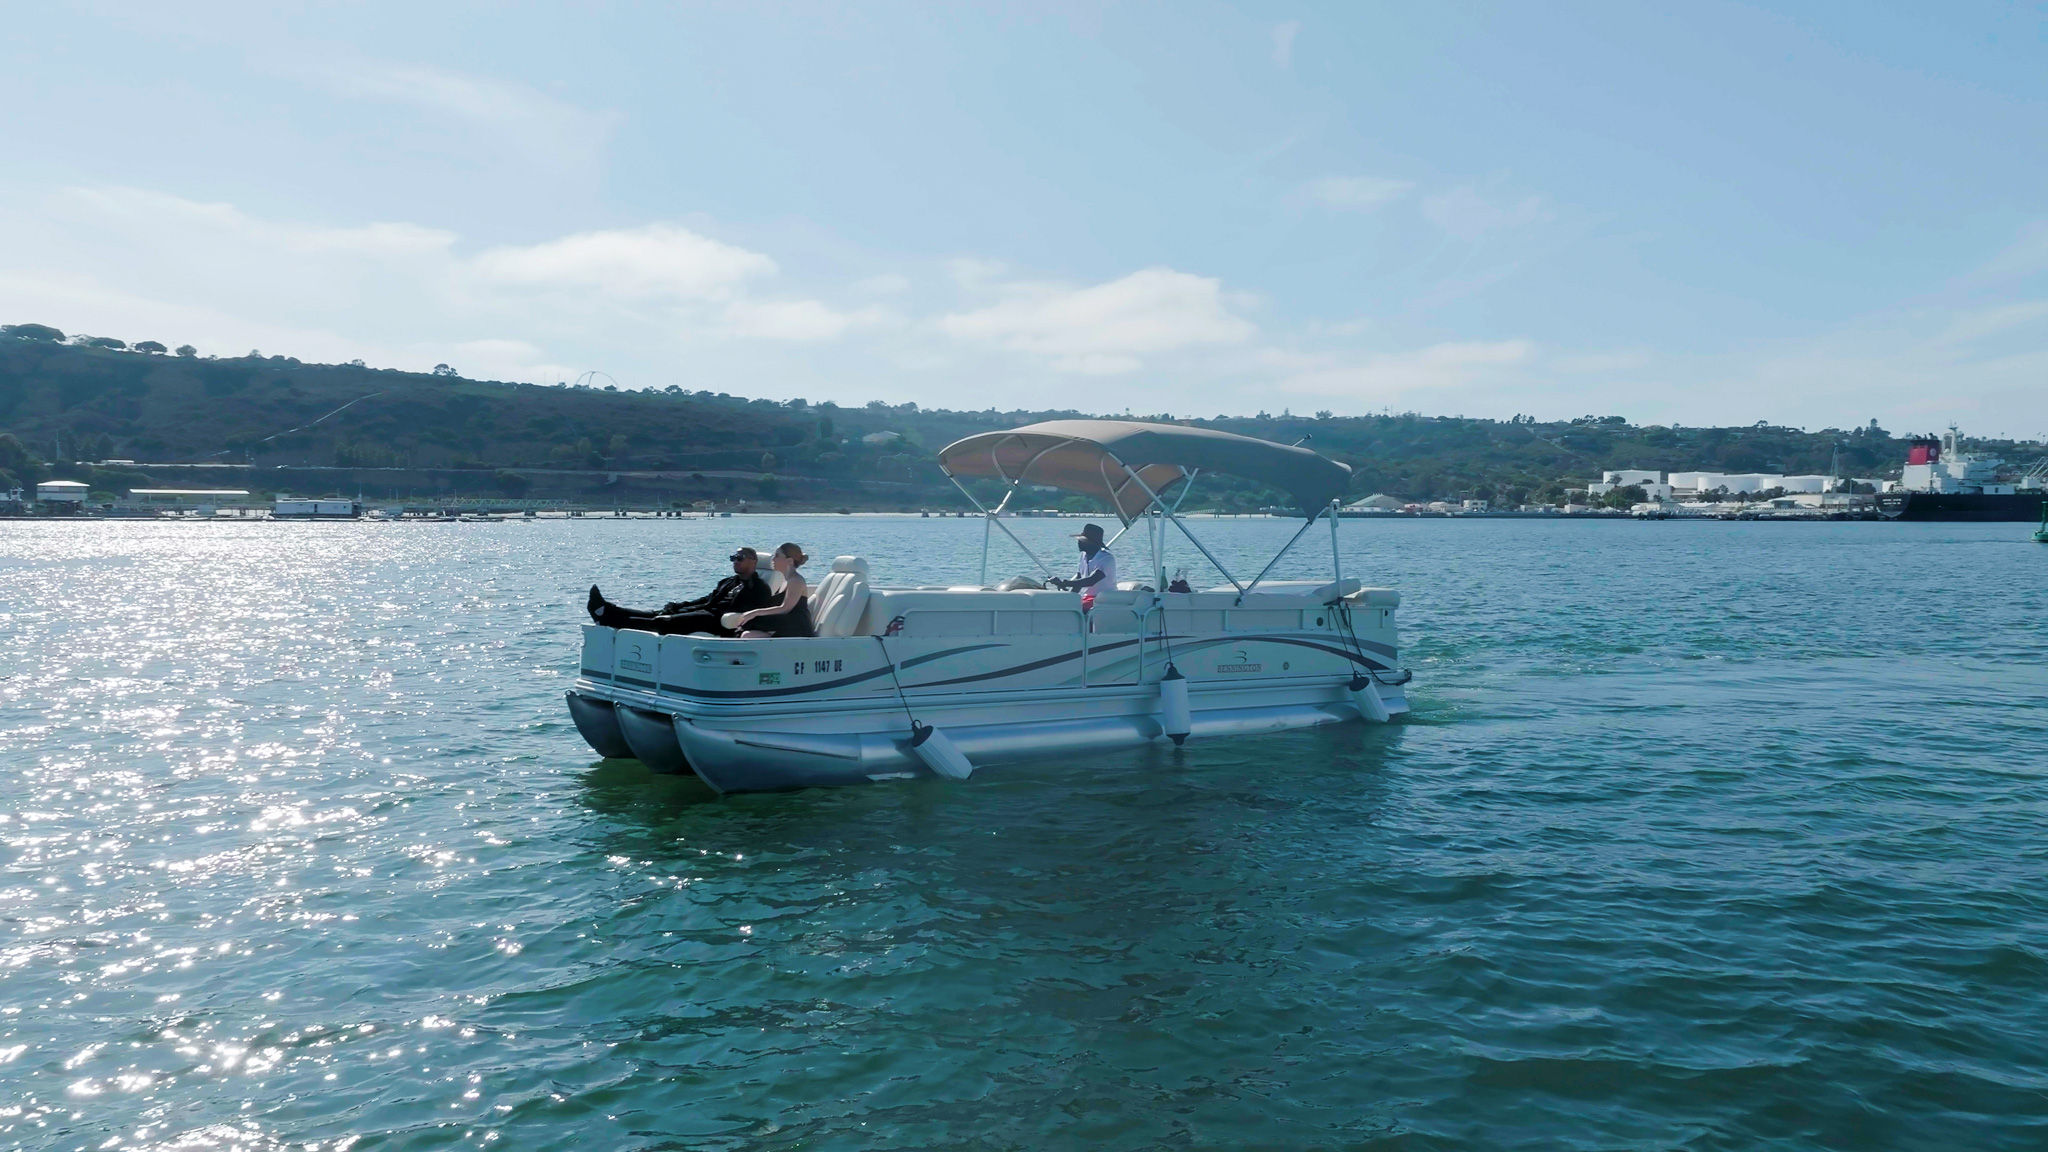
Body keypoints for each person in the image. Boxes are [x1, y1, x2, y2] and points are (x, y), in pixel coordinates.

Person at [584, 546, 776, 636]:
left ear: (753, 561)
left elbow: (750, 615)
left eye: (740, 558)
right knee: (662, 612)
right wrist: (680, 606)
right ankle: (608, 611)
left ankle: (608, 618)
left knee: (663, 621)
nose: (735, 561)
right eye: (733, 557)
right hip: (707, 613)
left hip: (717, 621)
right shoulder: (728, 582)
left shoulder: (759, 588)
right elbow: (708, 599)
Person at [733, 543, 815, 638]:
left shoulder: (796, 580)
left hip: (798, 628)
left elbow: (785, 608)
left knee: (751, 621)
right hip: (786, 625)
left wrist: (754, 613)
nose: (773, 559)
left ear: (789, 561)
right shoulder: (785, 580)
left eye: (777, 556)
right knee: (746, 633)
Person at [1048, 522, 1116, 596]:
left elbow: (1092, 580)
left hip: (1103, 599)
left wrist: (1066, 583)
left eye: (1083, 540)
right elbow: (1079, 580)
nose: (1079, 542)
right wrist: (1069, 596)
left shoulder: (1106, 558)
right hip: (1088, 597)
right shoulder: (1084, 556)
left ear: (1092, 543)